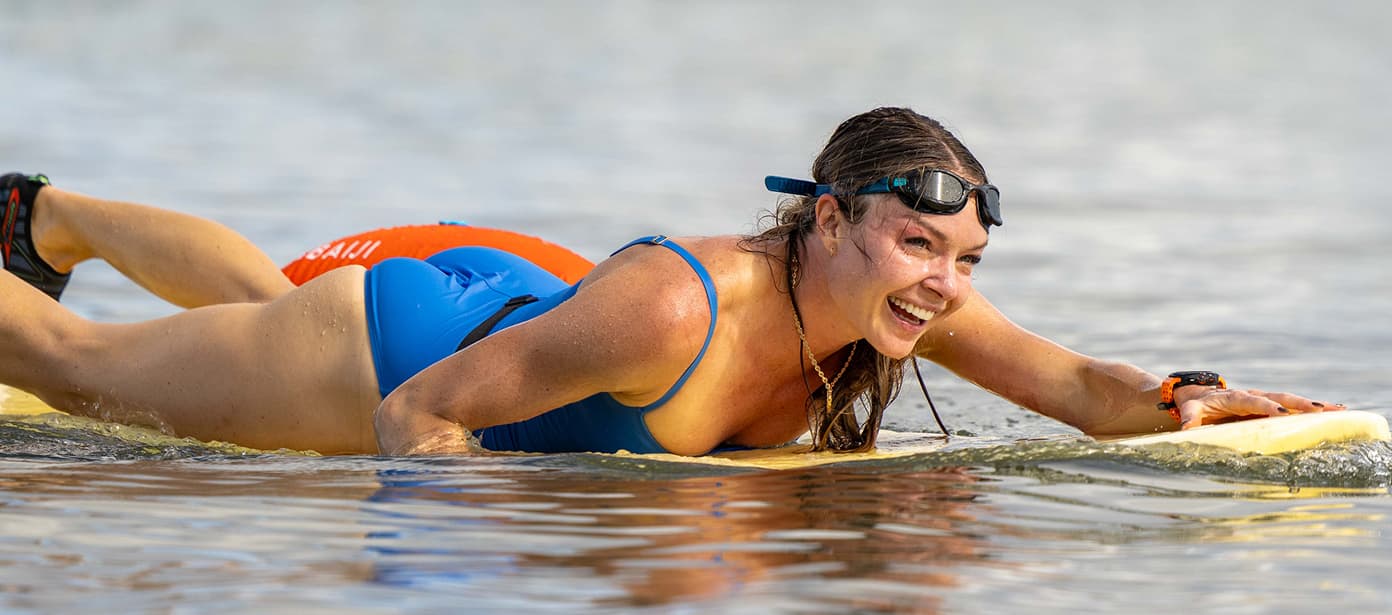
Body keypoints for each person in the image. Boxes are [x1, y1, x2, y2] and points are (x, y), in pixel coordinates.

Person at [0, 107, 1342, 456]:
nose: (944, 285)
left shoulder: (904, 308)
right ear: (828, 220)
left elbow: (1083, 389)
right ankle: (43, 219)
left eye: (965, 260)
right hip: (396, 348)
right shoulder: (679, 304)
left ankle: (46, 217)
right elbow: (420, 420)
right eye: (919, 245)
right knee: (76, 370)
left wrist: (1191, 401)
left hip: (541, 307)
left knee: (251, 297)